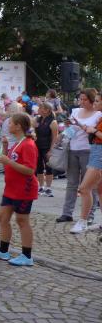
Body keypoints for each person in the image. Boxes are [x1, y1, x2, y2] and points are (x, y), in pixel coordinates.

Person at [0, 113, 38, 265]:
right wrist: (5, 148)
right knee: (2, 217)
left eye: (11, 123)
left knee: (22, 220)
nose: (8, 125)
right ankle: (3, 251)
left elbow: (30, 170)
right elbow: (8, 160)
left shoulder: (28, 144)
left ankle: (27, 256)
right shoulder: (18, 143)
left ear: (18, 126)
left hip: (24, 189)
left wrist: (8, 161)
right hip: (11, 188)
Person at [56, 89, 101, 224]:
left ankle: (89, 215)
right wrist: (63, 134)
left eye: (84, 99)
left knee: (89, 185)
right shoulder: (75, 111)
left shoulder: (98, 113)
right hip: (73, 149)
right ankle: (67, 213)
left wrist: (81, 126)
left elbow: (94, 133)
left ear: (91, 100)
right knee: (71, 183)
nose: (81, 102)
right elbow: (71, 129)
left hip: (89, 150)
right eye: (80, 99)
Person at [70, 95, 102, 233]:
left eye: (97, 101)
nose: (95, 103)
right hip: (95, 150)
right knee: (100, 190)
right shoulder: (99, 117)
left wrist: (94, 131)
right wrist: (84, 127)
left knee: (84, 188)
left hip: (99, 153)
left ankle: (83, 221)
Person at [34, 102, 58, 197]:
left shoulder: (53, 122)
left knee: (49, 168)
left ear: (47, 110)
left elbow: (55, 138)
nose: (38, 109)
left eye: (40, 108)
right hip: (37, 147)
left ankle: (48, 188)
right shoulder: (37, 119)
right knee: (39, 167)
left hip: (47, 148)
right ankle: (41, 187)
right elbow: (31, 130)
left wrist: (51, 150)